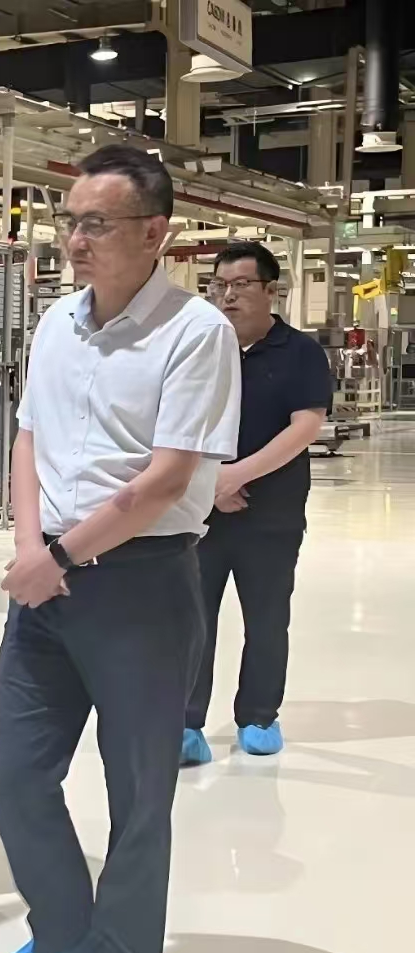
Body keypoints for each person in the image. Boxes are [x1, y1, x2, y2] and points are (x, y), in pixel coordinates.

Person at [0, 144, 240, 953]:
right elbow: (27, 438)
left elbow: (165, 480)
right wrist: (29, 548)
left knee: (138, 786)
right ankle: (61, 931)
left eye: (96, 224)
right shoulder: (56, 322)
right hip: (43, 580)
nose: (75, 241)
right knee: (17, 772)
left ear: (154, 233)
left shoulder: (195, 333)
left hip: (141, 582)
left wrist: (59, 552)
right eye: (70, 222)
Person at [181, 242, 333, 764]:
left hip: (272, 514)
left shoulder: (300, 352)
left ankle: (259, 715)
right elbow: (174, 424)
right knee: (192, 620)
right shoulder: (199, 347)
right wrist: (208, 484)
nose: (228, 295)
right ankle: (186, 722)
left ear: (271, 290)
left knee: (266, 620)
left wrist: (235, 476)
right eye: (219, 285)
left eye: (241, 284)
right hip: (199, 513)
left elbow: (305, 426)